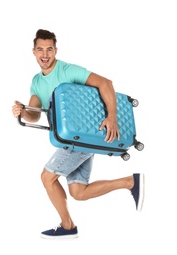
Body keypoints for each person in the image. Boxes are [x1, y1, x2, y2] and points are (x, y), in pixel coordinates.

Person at [12, 29, 145, 239]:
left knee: (47, 178)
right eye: (40, 50)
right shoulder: (36, 81)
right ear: (33, 52)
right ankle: (131, 182)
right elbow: (34, 114)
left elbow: (105, 83)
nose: (44, 54)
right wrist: (22, 112)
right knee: (78, 192)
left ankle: (67, 226)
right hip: (74, 139)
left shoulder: (67, 70)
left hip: (78, 140)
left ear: (55, 50)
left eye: (49, 49)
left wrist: (112, 117)